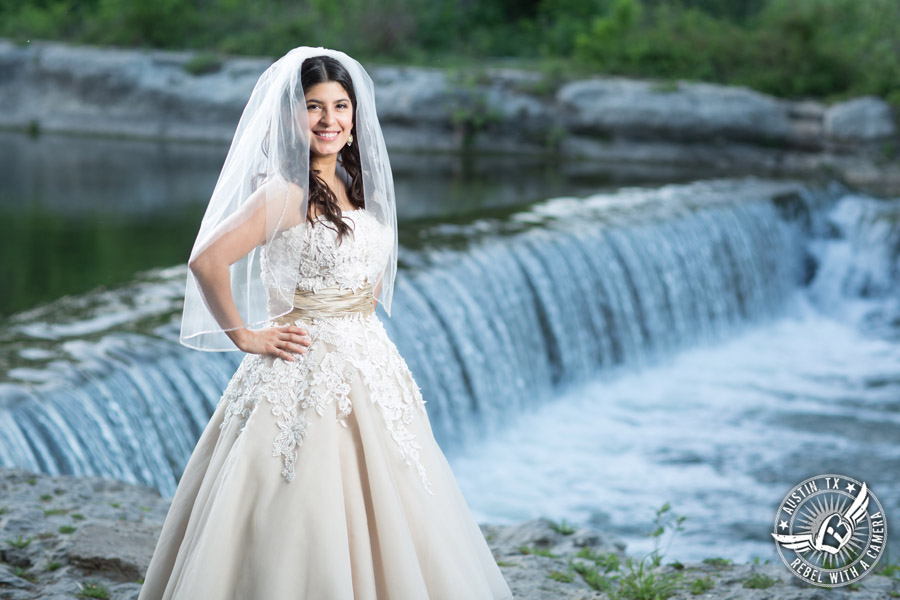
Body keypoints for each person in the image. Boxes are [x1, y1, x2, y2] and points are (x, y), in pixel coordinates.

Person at [137, 47, 515, 599]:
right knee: (302, 514)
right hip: (303, 373)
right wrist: (245, 334)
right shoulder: (285, 192)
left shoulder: (349, 183)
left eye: (341, 106)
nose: (329, 120)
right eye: (313, 107)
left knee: (392, 501)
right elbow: (207, 261)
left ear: (356, 117)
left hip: (370, 366)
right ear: (291, 116)